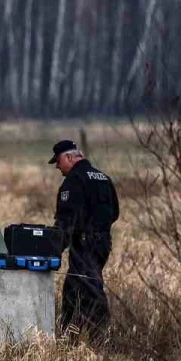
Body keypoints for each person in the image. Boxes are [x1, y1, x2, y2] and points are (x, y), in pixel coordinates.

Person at [50, 139, 120, 338]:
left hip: (84, 244)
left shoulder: (74, 181)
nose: (57, 166)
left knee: (91, 289)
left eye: (58, 161)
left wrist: (52, 250)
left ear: (69, 157)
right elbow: (115, 212)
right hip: (103, 243)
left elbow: (66, 220)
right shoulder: (103, 178)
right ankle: (68, 337)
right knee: (73, 289)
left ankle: (104, 340)